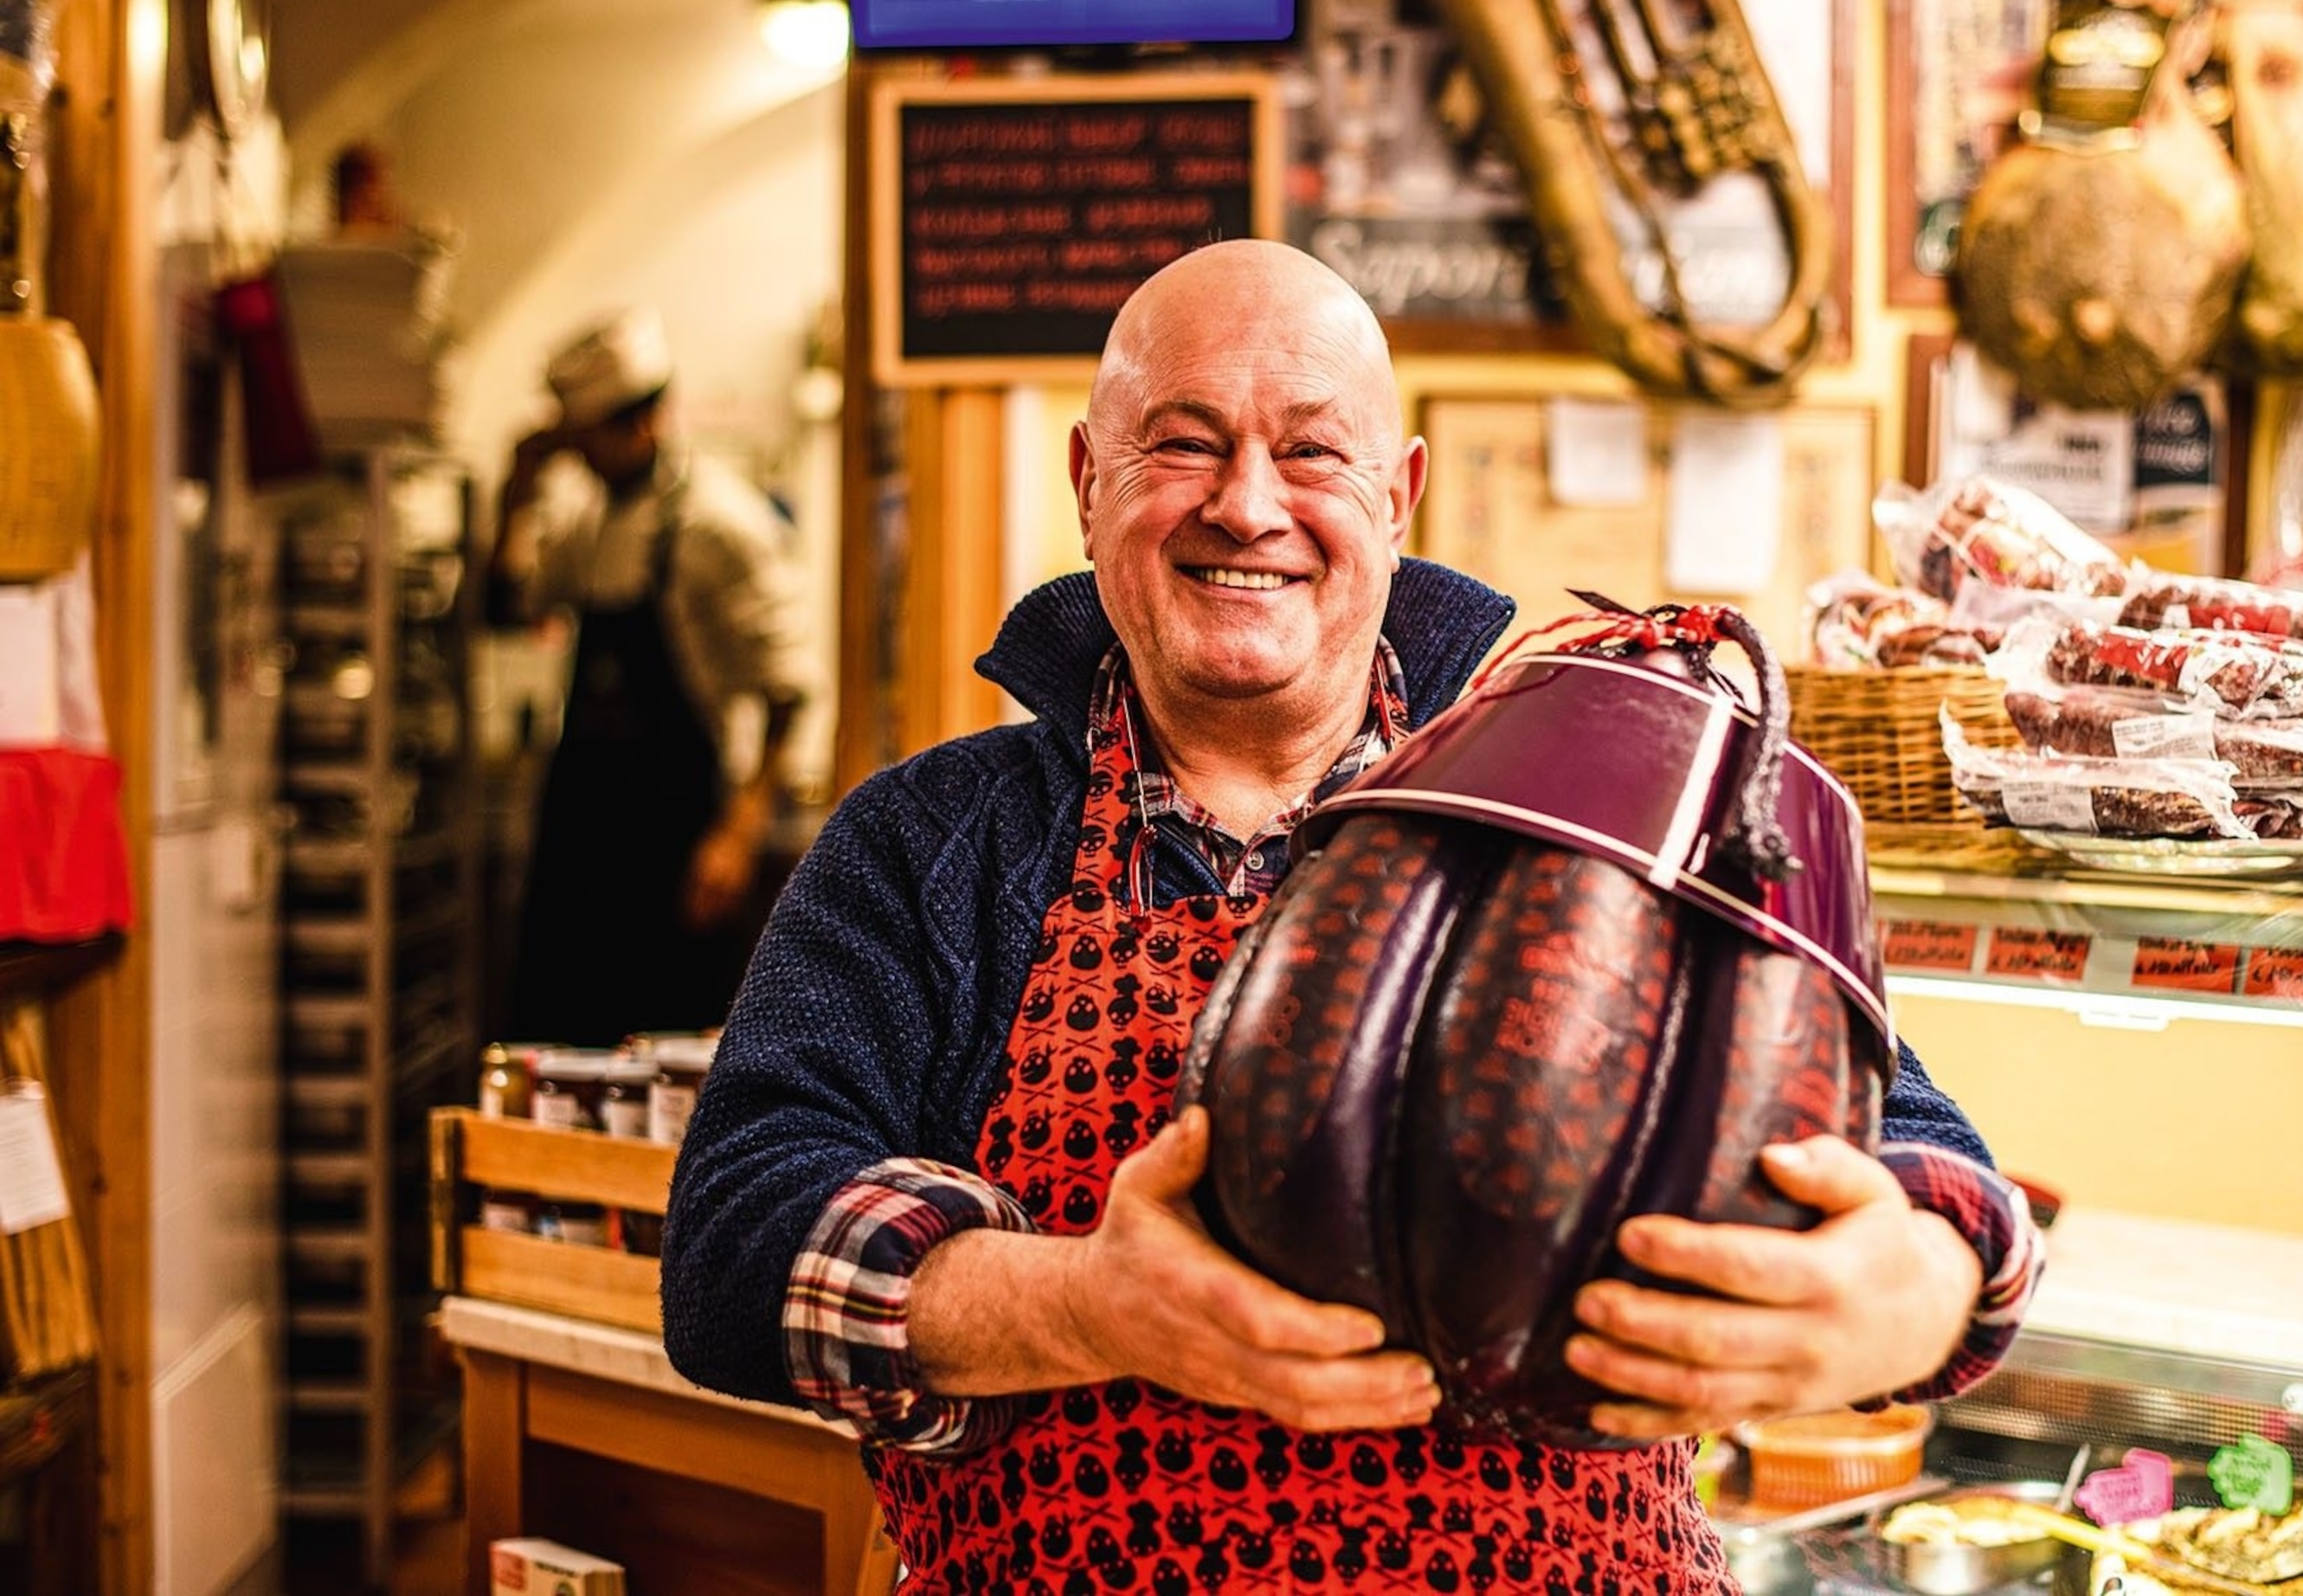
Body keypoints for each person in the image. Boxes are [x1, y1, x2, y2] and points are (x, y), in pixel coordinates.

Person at [662, 242, 2038, 1592]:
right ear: (1091, 484)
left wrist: (1901, 1292)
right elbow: (729, 1253)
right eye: (1183, 445)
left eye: (1313, 453)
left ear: (1400, 495)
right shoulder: (930, 842)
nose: (1247, 506)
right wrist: (1087, 1303)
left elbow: (1930, 1168)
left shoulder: (1607, 799)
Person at [488, 308, 820, 1046]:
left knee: (666, 1048)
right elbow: (510, 606)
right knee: (561, 1038)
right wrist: (517, 488)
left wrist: (736, 836)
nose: (580, 458)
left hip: (676, 835)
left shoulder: (719, 523)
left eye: (589, 441)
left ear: (641, 423)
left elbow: (789, 691)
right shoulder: (590, 523)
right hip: (584, 825)